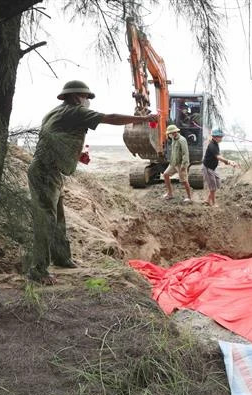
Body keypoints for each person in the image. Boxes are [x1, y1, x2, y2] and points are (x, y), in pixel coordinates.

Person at [27, 80, 158, 285]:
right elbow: (111, 118)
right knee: (46, 220)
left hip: (49, 170)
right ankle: (38, 270)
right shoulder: (75, 111)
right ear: (76, 96)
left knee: (57, 218)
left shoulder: (56, 113)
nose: (88, 101)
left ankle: (62, 258)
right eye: (87, 97)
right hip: (45, 171)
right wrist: (144, 118)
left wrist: (76, 155)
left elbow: (54, 139)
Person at [201, 129, 238, 207]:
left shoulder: (216, 144)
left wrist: (228, 163)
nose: (221, 138)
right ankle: (213, 203)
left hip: (213, 168)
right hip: (208, 168)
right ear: (215, 137)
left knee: (217, 183)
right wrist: (228, 161)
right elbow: (218, 157)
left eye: (221, 136)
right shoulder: (212, 145)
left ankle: (207, 200)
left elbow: (218, 156)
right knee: (213, 187)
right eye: (220, 137)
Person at [162, 124, 191, 202]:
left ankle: (189, 197)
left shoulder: (182, 140)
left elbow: (185, 153)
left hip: (180, 164)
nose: (169, 135)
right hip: (173, 163)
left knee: (184, 181)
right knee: (165, 174)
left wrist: (184, 165)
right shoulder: (173, 139)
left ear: (174, 132)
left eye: (170, 133)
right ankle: (170, 193)